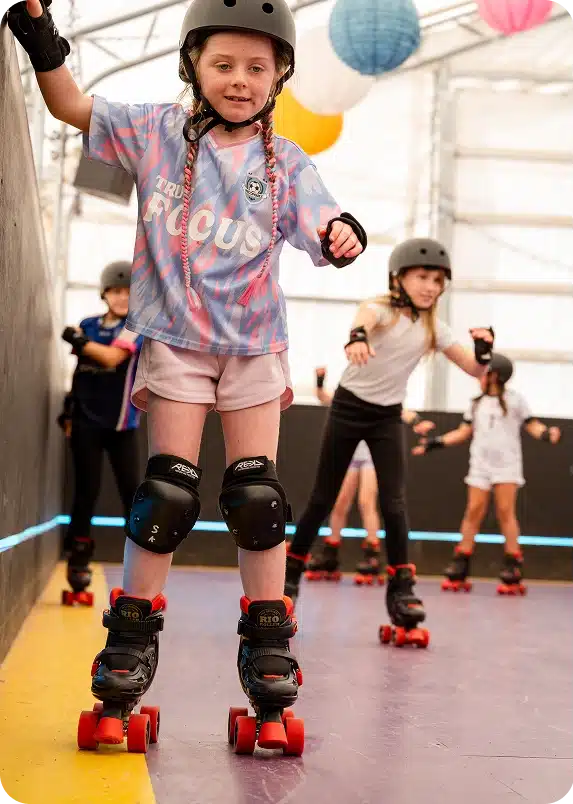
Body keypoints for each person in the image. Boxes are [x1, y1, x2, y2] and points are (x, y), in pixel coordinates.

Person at [9, 0, 366, 753]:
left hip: (254, 348)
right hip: (175, 342)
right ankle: (129, 648)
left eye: (257, 68)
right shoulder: (152, 132)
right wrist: (40, 36)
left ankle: (268, 648)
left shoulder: (287, 163)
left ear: (279, 78)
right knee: (165, 493)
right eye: (224, 64)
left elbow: (328, 231)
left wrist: (342, 236)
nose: (240, 80)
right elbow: (71, 104)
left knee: (257, 496)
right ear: (194, 68)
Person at [284, 237, 495, 649]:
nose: (431, 286)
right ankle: (291, 574)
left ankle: (401, 588)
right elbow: (367, 315)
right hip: (348, 408)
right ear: (399, 277)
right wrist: (357, 335)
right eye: (422, 277)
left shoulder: (435, 328)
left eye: (437, 280)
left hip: (386, 416)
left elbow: (474, 371)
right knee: (323, 497)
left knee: (394, 502)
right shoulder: (382, 309)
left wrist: (484, 352)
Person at [412, 352, 561, 596]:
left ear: (495, 376)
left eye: (484, 372)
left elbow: (532, 425)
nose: (479, 376)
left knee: (505, 512)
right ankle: (461, 561)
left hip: (507, 466)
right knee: (473, 511)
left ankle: (513, 563)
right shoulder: (476, 403)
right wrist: (433, 444)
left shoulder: (515, 401)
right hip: (480, 465)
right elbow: (462, 433)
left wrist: (547, 434)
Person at [58, 262, 143, 606]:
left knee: (132, 498)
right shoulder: (90, 324)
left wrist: (79, 341)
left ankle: (138, 571)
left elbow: (110, 358)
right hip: (86, 424)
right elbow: (81, 370)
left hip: (122, 425)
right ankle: (78, 568)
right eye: (116, 291)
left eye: (127, 292)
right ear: (105, 293)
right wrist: (68, 410)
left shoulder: (135, 326)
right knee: (85, 494)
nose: (122, 298)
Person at [307, 366, 435, 586]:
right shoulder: (349, 393)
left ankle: (372, 553)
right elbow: (325, 397)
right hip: (351, 453)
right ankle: (330, 553)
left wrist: (418, 423)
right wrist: (320, 381)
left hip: (370, 454)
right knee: (339, 503)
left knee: (367, 501)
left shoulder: (381, 394)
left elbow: (403, 412)